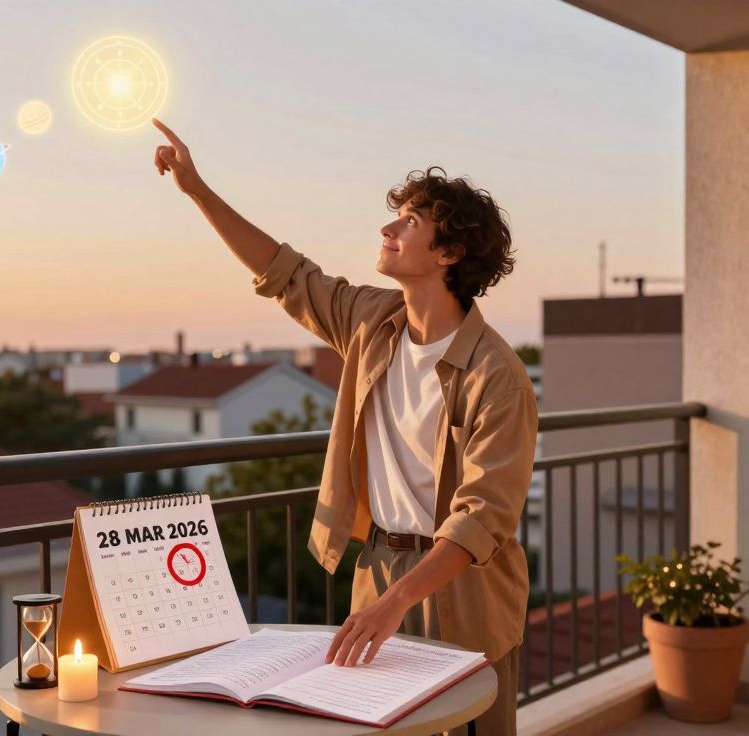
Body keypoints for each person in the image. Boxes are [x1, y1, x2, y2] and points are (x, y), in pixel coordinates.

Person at [152, 118, 538, 735]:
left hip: (463, 589)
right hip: (380, 567)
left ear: (451, 253)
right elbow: (284, 273)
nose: (387, 228)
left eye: (410, 222)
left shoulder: (496, 374)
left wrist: (397, 602)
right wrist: (196, 188)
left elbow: (484, 515)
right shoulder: (370, 319)